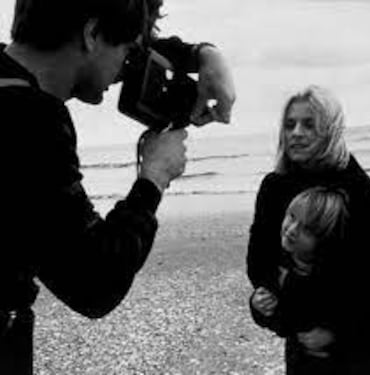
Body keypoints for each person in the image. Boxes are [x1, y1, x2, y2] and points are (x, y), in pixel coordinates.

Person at [0, 0, 235, 374]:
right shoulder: (29, 120)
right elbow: (95, 282)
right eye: (127, 51)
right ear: (92, 34)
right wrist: (153, 179)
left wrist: (201, 55)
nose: (126, 67)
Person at [247, 85, 370, 375]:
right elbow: (260, 261)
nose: (296, 132)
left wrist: (337, 331)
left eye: (309, 124)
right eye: (289, 124)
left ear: (331, 129)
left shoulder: (357, 189)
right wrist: (265, 304)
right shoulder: (274, 187)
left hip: (368, 330)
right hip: (303, 329)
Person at [252, 186, 352, 375]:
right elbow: (282, 324)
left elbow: (365, 318)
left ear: (325, 239)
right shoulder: (280, 267)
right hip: (299, 360)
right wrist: (260, 308)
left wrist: (333, 335)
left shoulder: (338, 277)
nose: (291, 230)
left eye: (306, 229)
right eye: (291, 216)